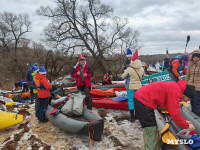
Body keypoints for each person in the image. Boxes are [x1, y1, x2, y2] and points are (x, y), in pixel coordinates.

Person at [134, 80, 196, 150]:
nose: (186, 101)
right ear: (185, 94)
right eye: (188, 99)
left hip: (144, 98)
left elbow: (172, 109)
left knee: (154, 129)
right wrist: (187, 125)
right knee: (150, 129)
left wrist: (185, 121)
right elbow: (175, 114)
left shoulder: (176, 88)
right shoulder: (175, 92)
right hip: (143, 100)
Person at [122, 50, 144, 119]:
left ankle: (132, 115)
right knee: (138, 100)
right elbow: (142, 77)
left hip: (130, 86)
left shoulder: (129, 68)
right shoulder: (142, 68)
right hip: (139, 87)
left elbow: (123, 76)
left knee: (131, 100)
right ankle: (137, 115)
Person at [186, 49, 200, 117]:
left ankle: (197, 119)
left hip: (198, 88)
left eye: (197, 57)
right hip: (191, 87)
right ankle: (194, 117)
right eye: (194, 57)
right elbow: (188, 75)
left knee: (197, 104)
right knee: (192, 103)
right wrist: (186, 84)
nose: (195, 59)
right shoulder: (190, 65)